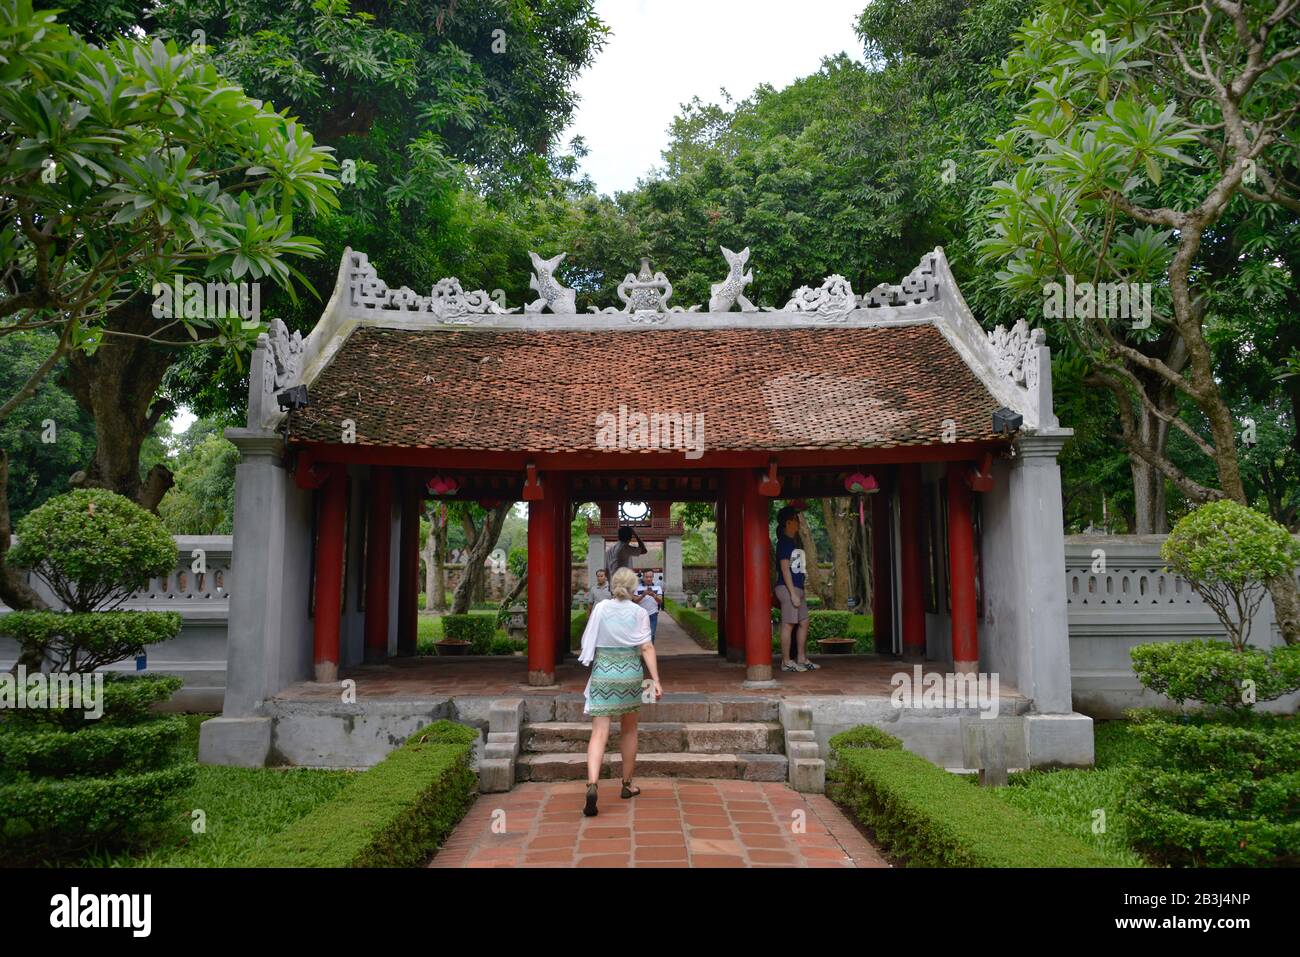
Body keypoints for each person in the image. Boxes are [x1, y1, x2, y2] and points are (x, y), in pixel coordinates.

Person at [578, 567, 662, 817]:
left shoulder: (601, 608)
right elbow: (646, 647)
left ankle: (592, 784)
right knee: (629, 729)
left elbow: (588, 641)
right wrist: (655, 680)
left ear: (613, 585)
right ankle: (627, 785)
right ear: (634, 586)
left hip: (604, 672)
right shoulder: (639, 612)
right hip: (630, 674)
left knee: (599, 732)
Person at [774, 504, 818, 673]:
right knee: (789, 624)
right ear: (788, 523)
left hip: (797, 589)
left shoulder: (793, 542)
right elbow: (785, 569)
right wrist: (792, 593)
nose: (799, 522)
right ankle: (786, 661)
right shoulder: (784, 542)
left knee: (804, 622)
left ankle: (801, 658)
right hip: (787, 588)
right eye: (796, 519)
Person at [636, 568, 662, 641]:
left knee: (652, 634)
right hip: (641, 614)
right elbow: (635, 601)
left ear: (653, 577)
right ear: (643, 577)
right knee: (640, 635)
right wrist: (643, 595)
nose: (649, 579)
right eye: (647, 577)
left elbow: (660, 601)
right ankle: (642, 650)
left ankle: (650, 651)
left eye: (650, 577)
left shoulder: (657, 587)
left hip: (653, 614)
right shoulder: (637, 588)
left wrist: (653, 595)